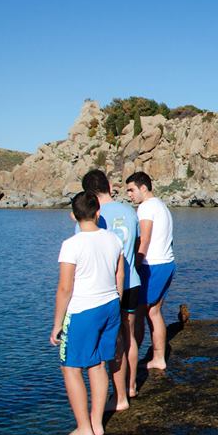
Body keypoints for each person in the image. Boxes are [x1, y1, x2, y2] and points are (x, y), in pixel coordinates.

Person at [51, 191, 123, 435]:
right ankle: (96, 423)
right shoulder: (113, 239)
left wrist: (57, 324)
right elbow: (119, 276)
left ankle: (83, 427)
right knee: (98, 364)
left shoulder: (72, 245)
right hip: (111, 306)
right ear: (97, 212)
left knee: (70, 367)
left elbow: (65, 288)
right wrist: (116, 302)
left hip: (84, 311)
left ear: (73, 215)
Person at [79, 169, 141, 408]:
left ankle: (117, 395)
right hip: (132, 282)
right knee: (130, 337)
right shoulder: (129, 212)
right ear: (108, 185)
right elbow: (136, 245)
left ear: (89, 193)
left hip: (106, 290)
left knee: (113, 343)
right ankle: (131, 386)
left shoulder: (92, 216)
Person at [125, 171, 175, 371]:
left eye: (131, 190)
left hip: (152, 265)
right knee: (154, 312)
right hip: (167, 263)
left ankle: (139, 357)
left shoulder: (146, 207)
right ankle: (157, 357)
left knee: (142, 313)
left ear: (143, 187)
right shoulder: (162, 206)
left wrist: (134, 265)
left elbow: (143, 239)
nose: (129, 194)